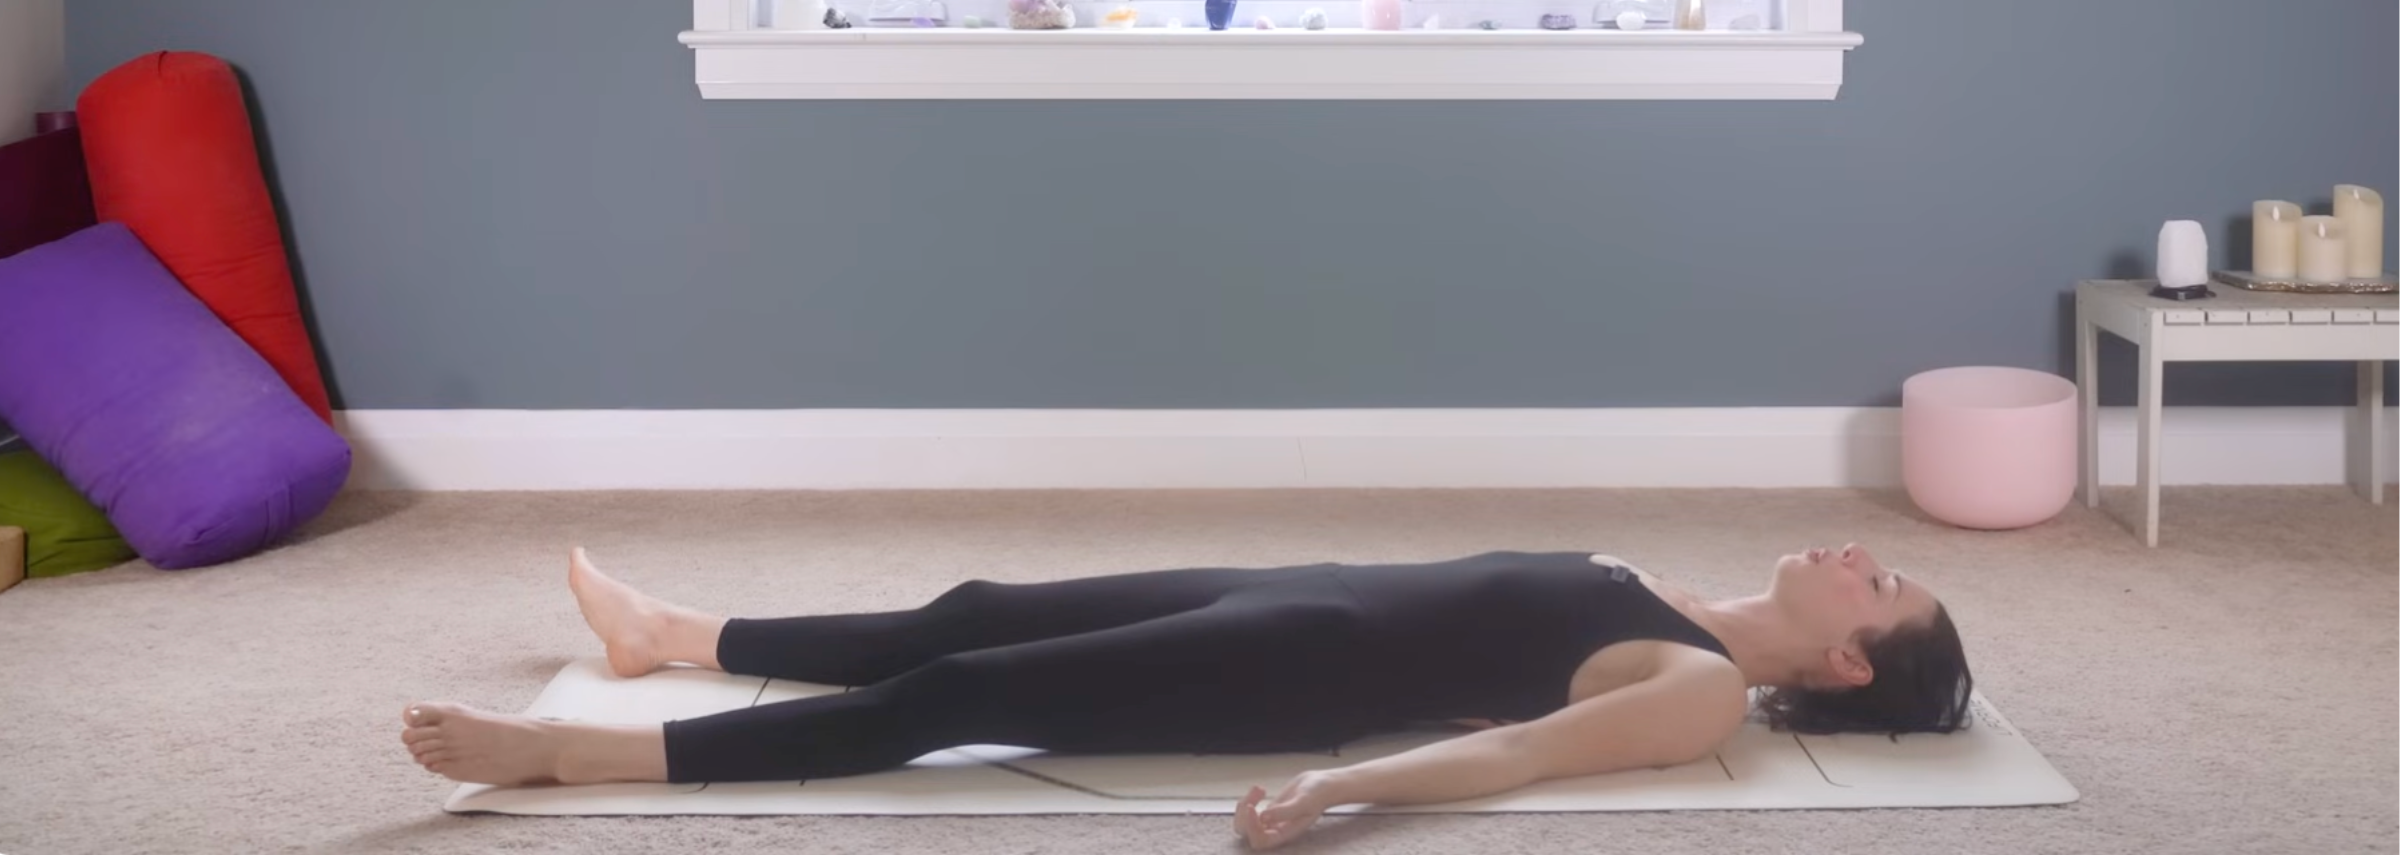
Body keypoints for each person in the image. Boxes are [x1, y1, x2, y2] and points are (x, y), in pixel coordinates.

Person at [402, 543, 1971, 850]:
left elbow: (1505, 754)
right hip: (1286, 583)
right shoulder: (1680, 586)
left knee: (953, 691)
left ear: (1845, 664)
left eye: (1880, 588)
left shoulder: (1696, 685)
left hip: (1287, 666)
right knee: (978, 605)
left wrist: (1338, 793)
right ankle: (675, 631)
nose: (1857, 556)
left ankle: (575, 754)